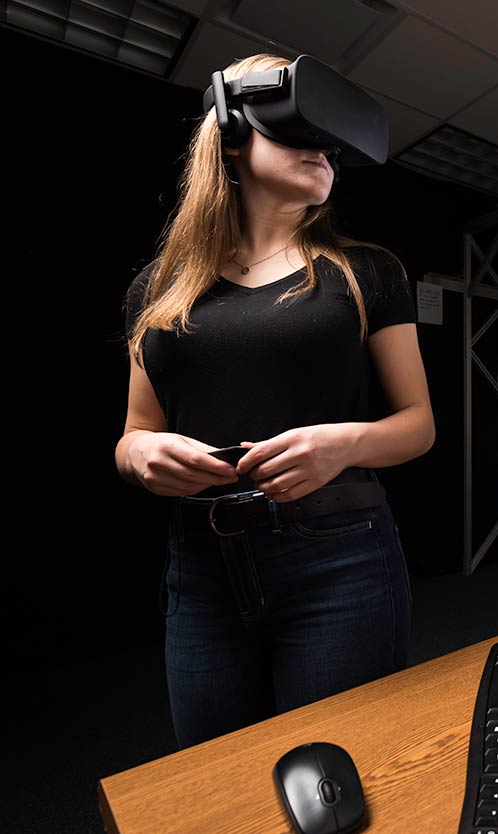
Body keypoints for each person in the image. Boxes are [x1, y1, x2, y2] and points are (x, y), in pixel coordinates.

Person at [115, 53, 435, 750]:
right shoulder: (155, 289)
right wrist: (139, 453)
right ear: (230, 136)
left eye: (330, 144)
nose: (324, 152)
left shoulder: (367, 272)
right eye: (299, 133)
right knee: (216, 773)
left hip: (340, 560)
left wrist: (343, 444)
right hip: (199, 568)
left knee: (337, 771)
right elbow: (135, 430)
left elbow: (418, 426)